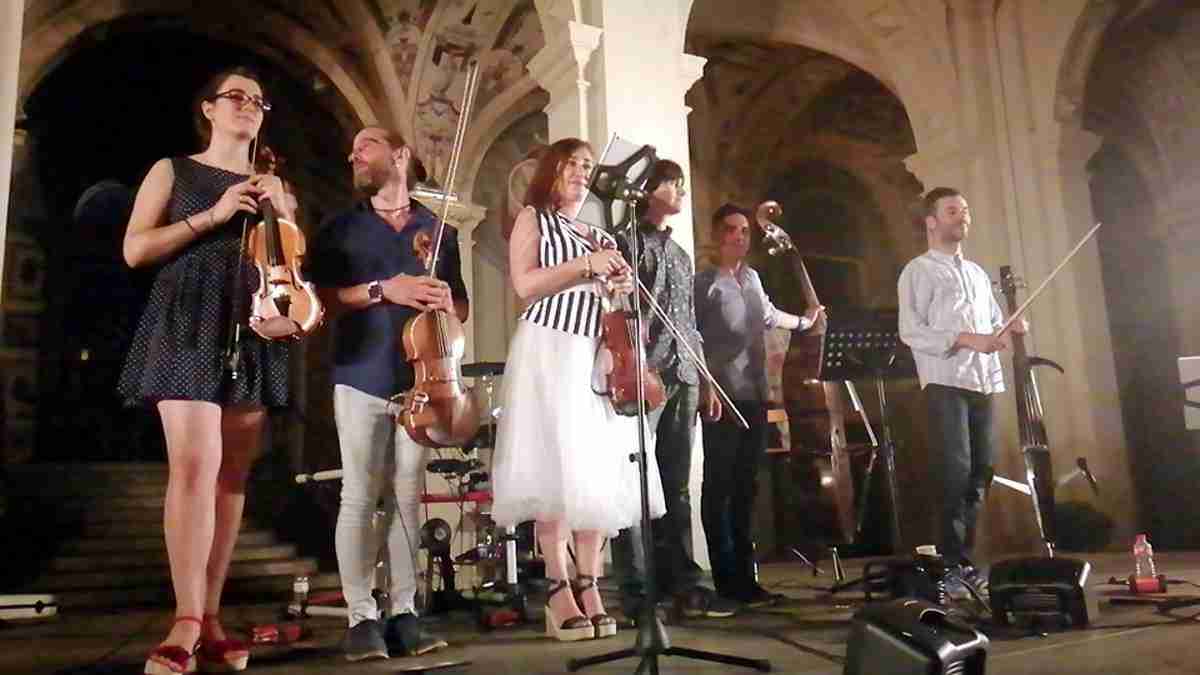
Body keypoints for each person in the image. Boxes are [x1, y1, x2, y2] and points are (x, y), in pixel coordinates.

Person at [118, 66, 291, 675]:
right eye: (234, 97)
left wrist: (282, 216)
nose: (247, 105)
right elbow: (135, 249)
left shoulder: (276, 185)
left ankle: (211, 615)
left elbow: (291, 267)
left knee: (231, 478)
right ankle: (186, 619)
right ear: (210, 109)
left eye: (257, 101)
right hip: (187, 315)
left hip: (251, 326)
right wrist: (214, 215)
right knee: (195, 465)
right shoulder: (175, 169)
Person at [490, 138, 666, 642]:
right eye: (572, 163)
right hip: (551, 347)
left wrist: (619, 283)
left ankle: (590, 582)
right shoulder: (534, 219)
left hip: (596, 353)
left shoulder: (597, 232)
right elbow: (525, 285)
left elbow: (611, 295)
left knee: (596, 469)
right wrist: (586, 267)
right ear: (552, 169)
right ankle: (557, 586)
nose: (582, 172)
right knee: (555, 465)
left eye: (588, 165)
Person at [305, 126, 461, 661]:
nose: (354, 154)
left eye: (365, 145)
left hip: (421, 380)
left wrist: (444, 301)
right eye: (352, 148)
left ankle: (404, 612)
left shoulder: (439, 231)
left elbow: (460, 307)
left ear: (400, 155)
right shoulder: (340, 228)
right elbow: (318, 299)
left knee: (407, 497)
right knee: (358, 496)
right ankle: (360, 617)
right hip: (359, 373)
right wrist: (382, 290)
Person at [609, 160, 738, 622]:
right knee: (636, 486)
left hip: (683, 375)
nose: (681, 189)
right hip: (644, 375)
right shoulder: (624, 242)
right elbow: (617, 308)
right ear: (647, 191)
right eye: (672, 183)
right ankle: (638, 591)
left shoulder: (681, 255)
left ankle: (683, 584)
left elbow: (689, 324)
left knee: (677, 486)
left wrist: (705, 378)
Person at [897, 187, 1027, 595]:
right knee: (952, 476)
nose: (962, 216)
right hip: (945, 382)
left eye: (965, 210)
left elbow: (990, 324)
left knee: (979, 473)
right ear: (931, 221)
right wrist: (969, 339)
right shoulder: (917, 271)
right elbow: (911, 331)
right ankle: (950, 565)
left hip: (982, 381)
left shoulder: (975, 273)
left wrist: (1009, 328)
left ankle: (964, 561)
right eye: (953, 210)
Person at [694, 203, 823, 607]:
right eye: (732, 230)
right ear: (717, 235)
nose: (740, 237)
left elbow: (769, 316)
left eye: (746, 232)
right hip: (722, 394)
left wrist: (805, 321)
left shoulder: (751, 277)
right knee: (720, 487)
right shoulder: (704, 283)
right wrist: (704, 386)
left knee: (746, 487)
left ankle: (746, 581)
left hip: (753, 392)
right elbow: (692, 336)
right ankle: (725, 582)